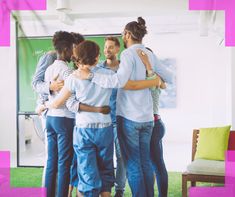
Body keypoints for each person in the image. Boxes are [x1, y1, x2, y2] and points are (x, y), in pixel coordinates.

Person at [76, 17, 173, 197]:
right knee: (145, 163)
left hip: (129, 118)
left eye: (123, 34)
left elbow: (118, 81)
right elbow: (169, 77)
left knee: (134, 165)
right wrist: (152, 77)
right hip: (147, 120)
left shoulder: (128, 54)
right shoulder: (148, 54)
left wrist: (90, 76)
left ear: (127, 35)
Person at [137, 48, 168, 197]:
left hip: (154, 125)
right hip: (152, 124)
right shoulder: (145, 76)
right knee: (152, 164)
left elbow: (159, 83)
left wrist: (147, 63)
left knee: (157, 164)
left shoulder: (152, 76)